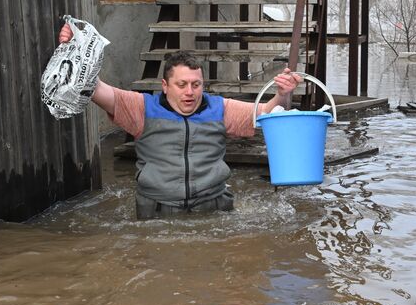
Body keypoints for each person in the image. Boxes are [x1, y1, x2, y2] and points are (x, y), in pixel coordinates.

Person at [57, 21, 299, 218]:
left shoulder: (219, 108)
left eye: (196, 85)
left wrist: (282, 93)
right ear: (165, 86)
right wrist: (75, 47)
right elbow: (95, 88)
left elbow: (267, 115)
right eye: (181, 85)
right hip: (157, 212)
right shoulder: (142, 108)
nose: (190, 92)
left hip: (212, 209)